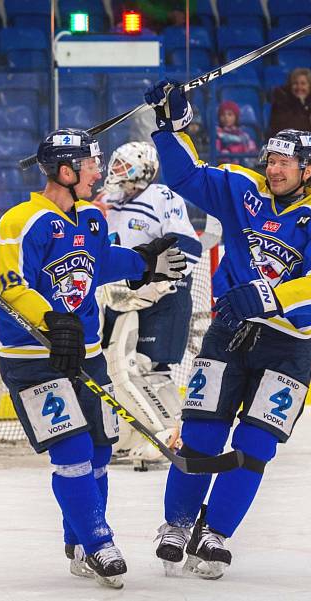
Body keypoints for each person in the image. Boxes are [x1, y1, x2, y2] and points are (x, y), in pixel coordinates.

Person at [143, 80, 311, 579]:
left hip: (287, 348)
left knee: (256, 445)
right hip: (230, 334)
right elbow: (187, 176)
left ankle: (214, 533)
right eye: (270, 159)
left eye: (285, 163)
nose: (274, 169)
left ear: (308, 170)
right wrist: (170, 127)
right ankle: (177, 523)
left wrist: (270, 296)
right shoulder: (243, 190)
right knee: (202, 433)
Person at [0, 128, 187, 589]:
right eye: (91, 164)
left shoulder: (92, 219)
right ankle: (99, 541)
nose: (99, 172)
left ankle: (76, 541)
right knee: (73, 451)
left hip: (89, 356)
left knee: (99, 450)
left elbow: (100, 262)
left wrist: (144, 264)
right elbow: (12, 285)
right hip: (33, 358)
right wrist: (51, 320)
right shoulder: (21, 222)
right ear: (65, 170)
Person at [97, 140, 203, 470]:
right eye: (114, 165)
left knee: (151, 367)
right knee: (115, 367)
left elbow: (188, 247)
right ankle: (130, 435)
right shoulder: (108, 201)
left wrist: (154, 273)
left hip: (163, 296)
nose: (115, 172)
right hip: (124, 297)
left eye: (123, 166)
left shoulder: (161, 197)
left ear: (143, 169)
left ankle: (173, 433)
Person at [266, 67, 311, 141]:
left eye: (303, 84)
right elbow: (289, 129)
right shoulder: (281, 103)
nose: (299, 87)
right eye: (295, 83)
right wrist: (301, 105)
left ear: (310, 86)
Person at [215, 100, 258, 167]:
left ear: (236, 117)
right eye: (223, 115)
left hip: (244, 168)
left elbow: (252, 150)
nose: (226, 117)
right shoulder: (217, 133)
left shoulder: (244, 135)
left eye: (230, 114)